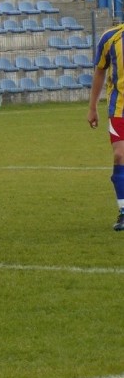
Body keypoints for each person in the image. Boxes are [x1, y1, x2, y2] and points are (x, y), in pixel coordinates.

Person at [86, 22, 124, 231]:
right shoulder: (110, 37)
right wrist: (92, 107)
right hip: (119, 110)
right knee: (119, 155)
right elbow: (100, 70)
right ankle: (123, 211)